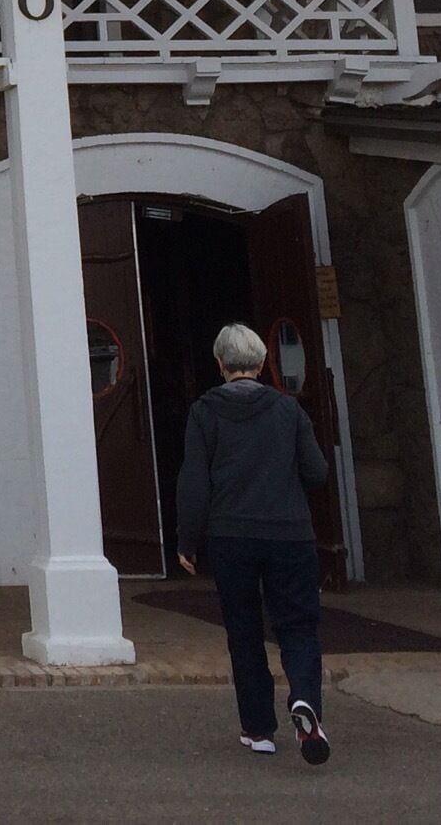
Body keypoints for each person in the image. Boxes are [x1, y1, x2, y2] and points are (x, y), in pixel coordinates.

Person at [175, 321, 332, 764]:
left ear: (220, 363)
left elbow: (194, 482)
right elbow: (317, 472)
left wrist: (188, 539)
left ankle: (258, 729)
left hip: (231, 535)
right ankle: (305, 702)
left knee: (243, 631)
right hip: (289, 534)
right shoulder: (289, 411)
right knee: (298, 627)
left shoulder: (204, 412)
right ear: (263, 363)